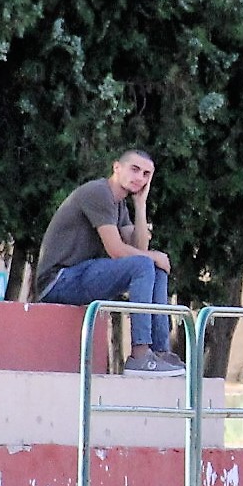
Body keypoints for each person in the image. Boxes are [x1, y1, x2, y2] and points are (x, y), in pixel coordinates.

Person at [33, 150, 183, 376]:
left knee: (154, 268)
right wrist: (153, 256)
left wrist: (140, 205)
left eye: (146, 174)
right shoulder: (98, 192)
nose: (139, 178)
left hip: (79, 275)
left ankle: (160, 352)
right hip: (57, 281)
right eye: (134, 169)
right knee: (146, 264)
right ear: (116, 167)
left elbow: (139, 248)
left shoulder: (119, 205)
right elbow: (117, 250)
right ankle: (140, 355)